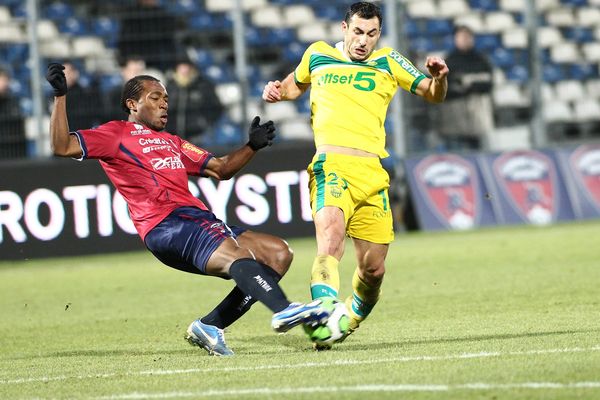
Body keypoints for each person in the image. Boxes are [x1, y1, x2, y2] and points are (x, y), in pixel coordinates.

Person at [45, 63, 330, 356]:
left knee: (277, 253)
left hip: (195, 219)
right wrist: (60, 96)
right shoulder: (116, 133)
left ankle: (211, 325)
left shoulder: (173, 143)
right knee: (237, 255)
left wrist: (252, 146)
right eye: (155, 98)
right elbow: (62, 146)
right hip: (167, 224)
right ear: (132, 104)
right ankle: (283, 309)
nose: (164, 104)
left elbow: (221, 169)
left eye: (166, 99)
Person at [262, 2, 449, 348]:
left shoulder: (390, 61)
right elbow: (291, 87)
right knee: (330, 240)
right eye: (358, 32)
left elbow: (432, 95)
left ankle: (344, 321)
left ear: (379, 34)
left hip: (372, 173)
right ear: (344, 28)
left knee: (373, 271)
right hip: (330, 166)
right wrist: (275, 92)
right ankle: (322, 311)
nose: (364, 41)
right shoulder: (317, 55)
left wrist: (440, 78)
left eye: (372, 33)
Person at [437, 25, 494, 151]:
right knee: (455, 150)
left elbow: (488, 83)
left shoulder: (481, 60)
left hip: (477, 114)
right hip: (455, 113)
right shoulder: (449, 61)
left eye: (467, 37)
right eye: (461, 37)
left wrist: (468, 85)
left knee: (478, 149)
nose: (465, 40)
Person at [165, 58, 224, 144]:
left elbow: (216, 107)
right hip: (173, 135)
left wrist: (204, 123)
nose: (184, 70)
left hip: (197, 136)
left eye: (187, 67)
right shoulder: (169, 86)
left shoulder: (203, 85)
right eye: (181, 67)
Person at [54, 61, 104, 130]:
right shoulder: (57, 95)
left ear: (75, 73)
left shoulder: (85, 94)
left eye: (68, 73)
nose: (65, 76)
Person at [0, 66, 26, 159]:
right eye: (1, 80)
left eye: (5, 80)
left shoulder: (13, 101)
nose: (4, 83)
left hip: (14, 152)